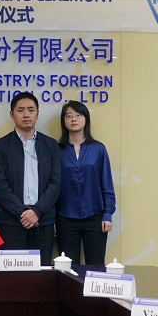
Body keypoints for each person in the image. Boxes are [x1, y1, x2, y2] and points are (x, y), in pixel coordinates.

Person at [0, 91, 61, 265]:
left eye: (31, 110)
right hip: (10, 222)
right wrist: (23, 214)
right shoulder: (0, 146)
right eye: (20, 110)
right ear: (12, 114)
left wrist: (36, 212)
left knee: (41, 274)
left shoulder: (51, 145)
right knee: (12, 276)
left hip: (42, 221)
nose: (26, 114)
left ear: (37, 113)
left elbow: (56, 182)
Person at [55, 100, 116, 265]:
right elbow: (52, 185)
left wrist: (108, 214)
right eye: (68, 116)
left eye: (78, 115)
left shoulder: (98, 149)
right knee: (67, 267)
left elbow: (106, 184)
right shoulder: (56, 150)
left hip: (95, 216)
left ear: (86, 119)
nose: (73, 119)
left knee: (96, 265)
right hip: (65, 217)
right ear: (63, 121)